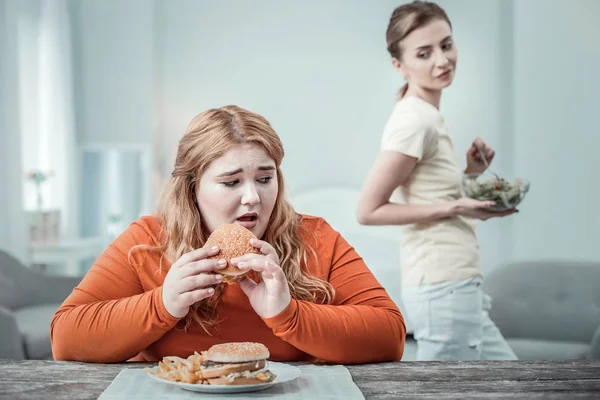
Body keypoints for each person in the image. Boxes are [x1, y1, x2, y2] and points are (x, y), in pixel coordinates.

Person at [51, 105, 406, 364]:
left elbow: (390, 335)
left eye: (265, 179)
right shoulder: (147, 240)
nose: (253, 196)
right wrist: (163, 304)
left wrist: (288, 314)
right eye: (231, 182)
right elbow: (66, 338)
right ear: (192, 189)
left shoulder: (314, 237)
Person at [356, 1, 518, 361]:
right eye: (424, 53)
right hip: (442, 284)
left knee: (512, 378)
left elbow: (430, 192)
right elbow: (368, 210)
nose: (442, 60)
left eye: (446, 45)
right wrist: (455, 206)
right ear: (399, 65)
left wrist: (470, 175)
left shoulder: (427, 114)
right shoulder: (416, 120)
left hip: (457, 280)